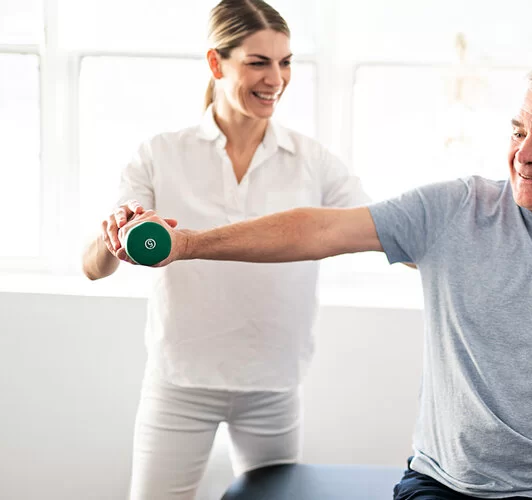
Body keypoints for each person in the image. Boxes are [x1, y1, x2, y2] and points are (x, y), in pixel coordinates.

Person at [121, 64, 532, 500]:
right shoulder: (457, 210)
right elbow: (317, 231)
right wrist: (192, 244)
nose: (523, 153)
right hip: (447, 487)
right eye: (518, 130)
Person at [81, 1, 369, 498]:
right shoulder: (162, 153)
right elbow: (93, 267)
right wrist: (113, 238)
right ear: (217, 64)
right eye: (258, 62)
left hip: (272, 384)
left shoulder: (311, 161)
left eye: (285, 62)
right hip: (180, 382)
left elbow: (374, 228)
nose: (275, 78)